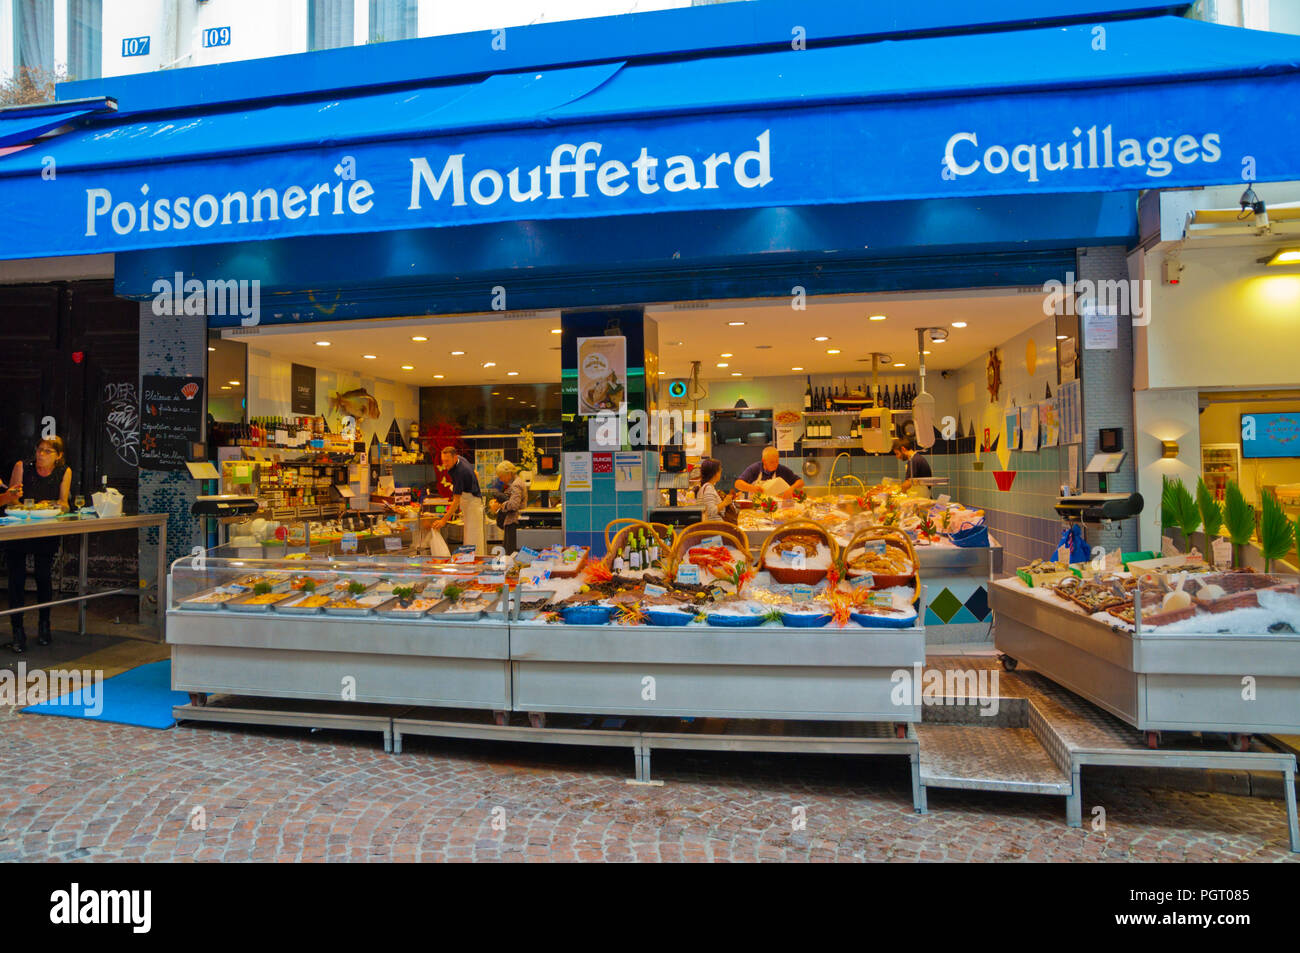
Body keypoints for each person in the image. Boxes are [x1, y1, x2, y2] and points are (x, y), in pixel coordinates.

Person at [2, 436, 72, 653]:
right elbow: (11, 499)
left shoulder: (64, 472)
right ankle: (17, 631)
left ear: (58, 456)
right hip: (19, 527)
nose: (41, 455)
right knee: (16, 579)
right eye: (39, 450)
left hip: (45, 528)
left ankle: (44, 626)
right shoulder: (22, 467)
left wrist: (55, 507)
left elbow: (64, 503)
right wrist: (16, 498)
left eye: (47, 451)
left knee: (43, 576)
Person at [431, 445, 485, 554]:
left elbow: (456, 501)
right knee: (470, 536)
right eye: (443, 461)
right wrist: (470, 485)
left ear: (455, 458)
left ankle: (474, 566)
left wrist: (443, 521)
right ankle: (470, 562)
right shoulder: (460, 459)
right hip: (471, 500)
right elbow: (475, 473)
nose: (445, 464)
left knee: (472, 539)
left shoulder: (460, 472)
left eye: (447, 461)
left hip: (472, 505)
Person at [734, 446, 804, 499]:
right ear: (764, 461)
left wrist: (791, 489)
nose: (775, 464)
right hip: (755, 508)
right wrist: (753, 488)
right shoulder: (755, 468)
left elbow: (800, 482)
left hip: (776, 508)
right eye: (772, 462)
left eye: (777, 461)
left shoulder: (782, 469)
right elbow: (738, 484)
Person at [488, 461, 526, 553]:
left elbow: (514, 505)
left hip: (513, 521)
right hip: (511, 521)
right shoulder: (515, 482)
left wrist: (499, 506)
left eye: (501, 476)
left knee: (510, 553)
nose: (500, 479)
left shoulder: (516, 484)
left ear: (508, 473)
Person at [696, 458, 734, 522]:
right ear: (715, 473)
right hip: (714, 528)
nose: (721, 472)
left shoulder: (706, 487)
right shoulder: (708, 488)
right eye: (720, 470)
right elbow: (710, 511)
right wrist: (725, 502)